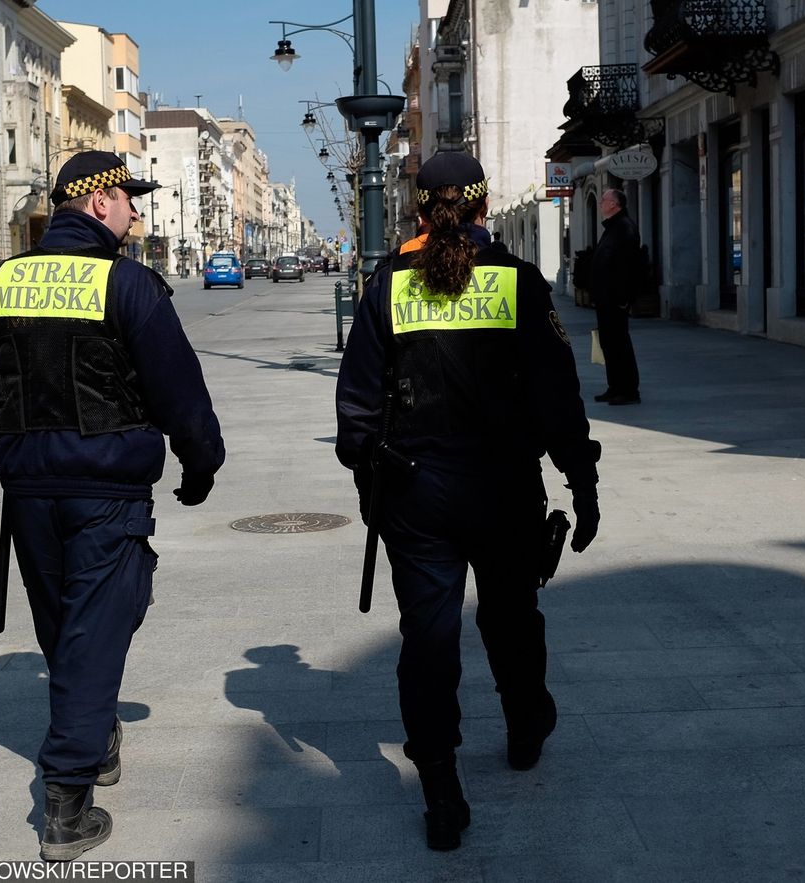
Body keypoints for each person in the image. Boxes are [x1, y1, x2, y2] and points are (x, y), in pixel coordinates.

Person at [0, 151, 225, 862]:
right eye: (129, 197)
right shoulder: (127, 286)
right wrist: (201, 461)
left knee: (65, 627)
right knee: (96, 630)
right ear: (97, 203)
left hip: (28, 493)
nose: (135, 209)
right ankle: (67, 798)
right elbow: (178, 391)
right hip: (108, 491)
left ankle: (92, 735)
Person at [335, 152, 601, 852]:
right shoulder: (519, 282)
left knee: (428, 637)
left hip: (416, 492)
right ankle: (524, 724)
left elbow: (356, 411)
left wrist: (372, 487)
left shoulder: (387, 286)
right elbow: (558, 399)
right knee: (513, 617)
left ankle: (441, 788)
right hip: (506, 486)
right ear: (483, 209)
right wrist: (583, 482)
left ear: (421, 211)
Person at [590, 187, 643, 405]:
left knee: (619, 343)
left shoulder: (624, 228)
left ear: (614, 204)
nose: (601, 203)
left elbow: (627, 266)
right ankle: (615, 386)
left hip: (615, 298)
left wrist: (623, 297)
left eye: (604, 199)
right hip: (605, 297)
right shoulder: (613, 227)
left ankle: (629, 390)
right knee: (609, 343)